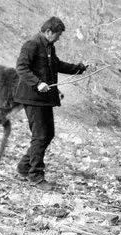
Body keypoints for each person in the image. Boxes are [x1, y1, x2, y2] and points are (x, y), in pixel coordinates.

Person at [13, 17, 88, 186]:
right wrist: (37, 83)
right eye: (58, 35)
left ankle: (24, 167)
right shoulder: (31, 44)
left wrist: (79, 68)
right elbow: (21, 68)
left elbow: (57, 65)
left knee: (48, 134)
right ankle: (35, 176)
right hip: (32, 98)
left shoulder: (49, 46)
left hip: (44, 100)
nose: (59, 38)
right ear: (48, 32)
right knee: (40, 135)